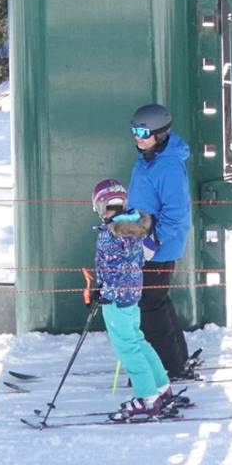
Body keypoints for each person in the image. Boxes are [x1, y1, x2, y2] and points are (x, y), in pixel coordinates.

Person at [89, 179, 177, 422]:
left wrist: (103, 291)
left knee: (127, 348)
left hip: (117, 301)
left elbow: (113, 269)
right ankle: (161, 388)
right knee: (138, 340)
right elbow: (134, 264)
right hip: (131, 297)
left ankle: (147, 397)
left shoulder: (110, 235)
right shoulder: (134, 229)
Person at [125, 102, 193, 382]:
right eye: (134, 131)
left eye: (143, 131)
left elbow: (176, 213)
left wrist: (153, 241)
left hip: (160, 247)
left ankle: (168, 366)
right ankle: (176, 360)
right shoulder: (149, 158)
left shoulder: (168, 166)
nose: (138, 136)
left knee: (150, 304)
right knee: (156, 301)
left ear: (161, 133)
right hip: (144, 240)